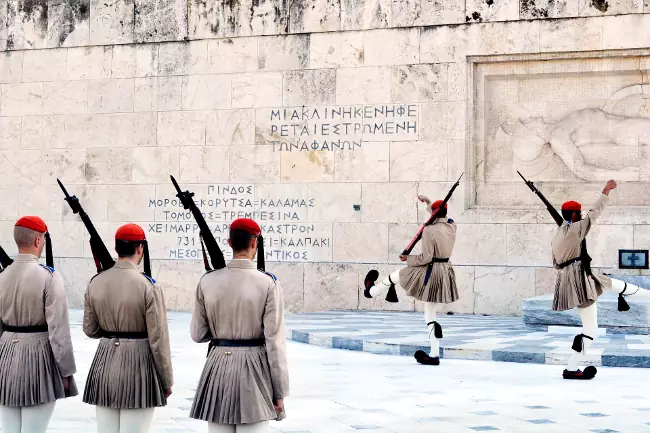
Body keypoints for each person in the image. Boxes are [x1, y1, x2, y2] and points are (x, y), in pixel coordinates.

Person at [190, 218, 289, 432]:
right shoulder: (268, 283)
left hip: (217, 366)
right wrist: (279, 392)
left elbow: (198, 334)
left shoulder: (207, 281)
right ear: (255, 243)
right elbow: (275, 343)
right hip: (254, 368)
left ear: (229, 242)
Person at [552, 180, 650, 379]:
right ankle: (571, 368)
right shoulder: (574, 230)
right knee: (590, 330)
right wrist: (605, 191)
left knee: (611, 283)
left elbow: (556, 262)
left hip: (579, 276)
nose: (580, 216)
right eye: (578, 214)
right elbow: (594, 213)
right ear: (573, 215)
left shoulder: (559, 234)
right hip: (579, 281)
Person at [82, 223, 173, 432]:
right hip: (139, 365)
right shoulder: (148, 285)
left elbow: (90, 329)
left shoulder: (96, 282)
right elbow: (158, 339)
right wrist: (166, 379)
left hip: (104, 364)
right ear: (140, 248)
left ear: (116, 249)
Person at [0, 216, 77, 433]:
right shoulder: (48, 277)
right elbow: (58, 330)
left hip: (5, 357)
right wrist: (66, 372)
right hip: (38, 357)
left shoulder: (2, 276)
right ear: (37, 241)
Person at [363, 196, 459, 366]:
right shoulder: (452, 225)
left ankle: (371, 292)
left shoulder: (429, 230)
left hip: (430, 270)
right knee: (430, 313)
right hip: (445, 271)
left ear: (434, 214)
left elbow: (426, 257)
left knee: (398, 274)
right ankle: (434, 354)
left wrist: (408, 258)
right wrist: (429, 203)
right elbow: (437, 217)